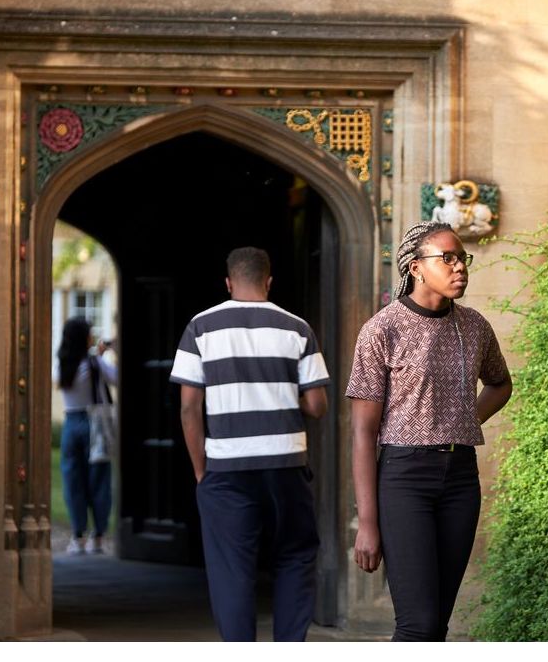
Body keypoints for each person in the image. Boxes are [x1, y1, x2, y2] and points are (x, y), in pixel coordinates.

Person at [346, 220, 513, 641]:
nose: (460, 267)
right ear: (416, 267)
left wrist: (463, 418)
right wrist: (367, 521)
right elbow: (363, 434)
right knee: (417, 623)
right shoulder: (381, 330)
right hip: (404, 479)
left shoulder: (474, 325)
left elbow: (500, 383)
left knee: (437, 622)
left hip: (460, 478)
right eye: (448, 258)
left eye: (463, 258)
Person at [169, 246, 330, 642]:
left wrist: (200, 471)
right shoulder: (297, 327)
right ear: (268, 281)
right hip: (286, 464)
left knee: (231, 570)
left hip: (225, 468)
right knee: (294, 557)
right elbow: (317, 405)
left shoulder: (200, 328)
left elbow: (189, 408)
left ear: (228, 282)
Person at [55, 316, 116, 555]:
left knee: (73, 480)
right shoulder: (94, 364)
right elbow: (117, 377)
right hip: (94, 423)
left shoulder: (62, 365)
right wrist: (102, 356)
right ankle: (98, 535)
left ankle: (77, 535)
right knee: (99, 480)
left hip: (71, 422)